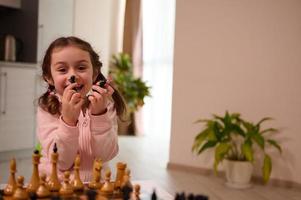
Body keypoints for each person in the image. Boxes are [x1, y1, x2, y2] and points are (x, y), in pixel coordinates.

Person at [37, 36, 126, 182]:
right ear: (49, 77)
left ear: (95, 72)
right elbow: (62, 162)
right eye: (62, 69)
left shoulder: (105, 106)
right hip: (59, 187)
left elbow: (105, 155)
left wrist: (99, 116)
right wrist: (68, 121)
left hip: (97, 186)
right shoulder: (48, 108)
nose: (72, 75)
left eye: (81, 67)